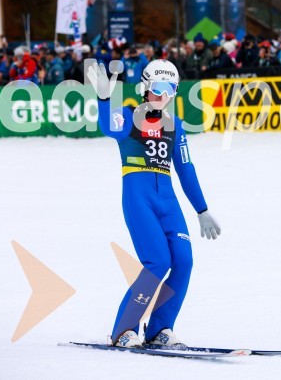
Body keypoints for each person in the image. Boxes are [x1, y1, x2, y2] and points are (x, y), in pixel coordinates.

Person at [87, 59, 221, 348]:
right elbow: (109, 128)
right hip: (139, 199)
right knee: (158, 261)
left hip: (168, 202)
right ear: (145, 88)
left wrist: (202, 209)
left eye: (170, 89)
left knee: (183, 261)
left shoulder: (175, 125)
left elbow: (186, 169)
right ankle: (124, 329)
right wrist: (104, 100)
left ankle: (160, 329)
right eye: (158, 88)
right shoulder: (127, 116)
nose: (163, 95)